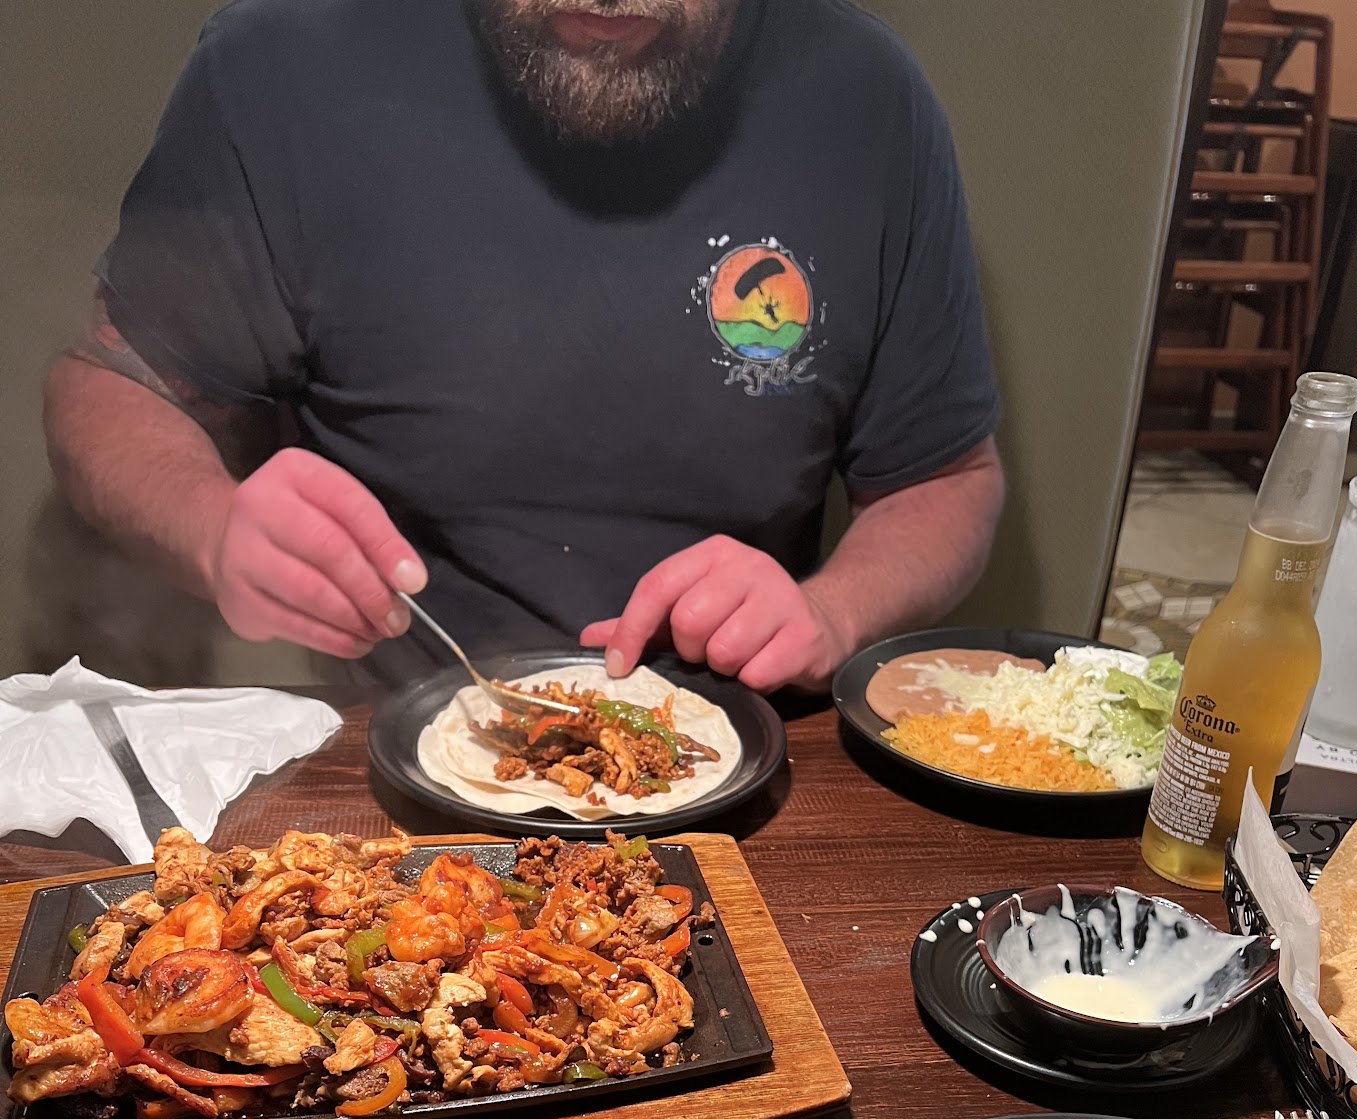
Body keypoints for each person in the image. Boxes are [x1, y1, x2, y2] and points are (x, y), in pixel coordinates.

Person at [44, 0, 1004, 693]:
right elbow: (112, 388)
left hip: (751, 752)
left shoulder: (868, 98)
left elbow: (945, 480)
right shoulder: (281, 61)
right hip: (392, 748)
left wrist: (833, 609)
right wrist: (216, 531)